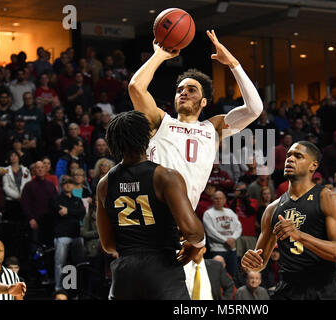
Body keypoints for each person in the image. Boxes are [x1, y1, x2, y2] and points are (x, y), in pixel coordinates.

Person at [129, 30, 262, 211]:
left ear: (204, 102)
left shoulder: (213, 128)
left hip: (182, 218)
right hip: (150, 210)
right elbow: (136, 87)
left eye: (192, 90)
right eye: (180, 90)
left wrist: (233, 64)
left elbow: (255, 109)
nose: (184, 92)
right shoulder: (160, 121)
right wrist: (159, 56)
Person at [96, 110, 205, 300]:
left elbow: (108, 245)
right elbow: (192, 232)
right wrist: (196, 245)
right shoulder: (165, 176)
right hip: (162, 270)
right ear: (147, 136)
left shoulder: (104, 184)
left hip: (124, 274)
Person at [241, 141, 336, 300]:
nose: (290, 159)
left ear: (313, 166)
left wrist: (299, 235)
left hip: (323, 287)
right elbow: (260, 262)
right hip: (288, 288)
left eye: (298, 156)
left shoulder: (328, 198)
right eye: (288, 155)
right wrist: (251, 263)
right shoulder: (272, 208)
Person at [51, 175, 86, 291]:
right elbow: (60, 212)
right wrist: (73, 212)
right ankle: (59, 288)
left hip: (76, 235)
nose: (68, 184)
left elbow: (82, 212)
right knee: (60, 264)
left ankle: (76, 289)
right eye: (65, 183)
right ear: (61, 185)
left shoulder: (77, 200)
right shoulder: (56, 199)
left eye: (70, 182)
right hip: (62, 235)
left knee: (79, 264)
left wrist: (68, 211)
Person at [202, 190, 242, 277]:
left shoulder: (230, 212)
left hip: (231, 249)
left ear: (224, 200)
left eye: (221, 198)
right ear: (212, 199)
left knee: (233, 274)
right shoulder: (208, 213)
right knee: (217, 275)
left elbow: (238, 227)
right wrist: (226, 240)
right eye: (216, 198)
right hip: (217, 250)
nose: (218, 200)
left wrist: (233, 238)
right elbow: (210, 231)